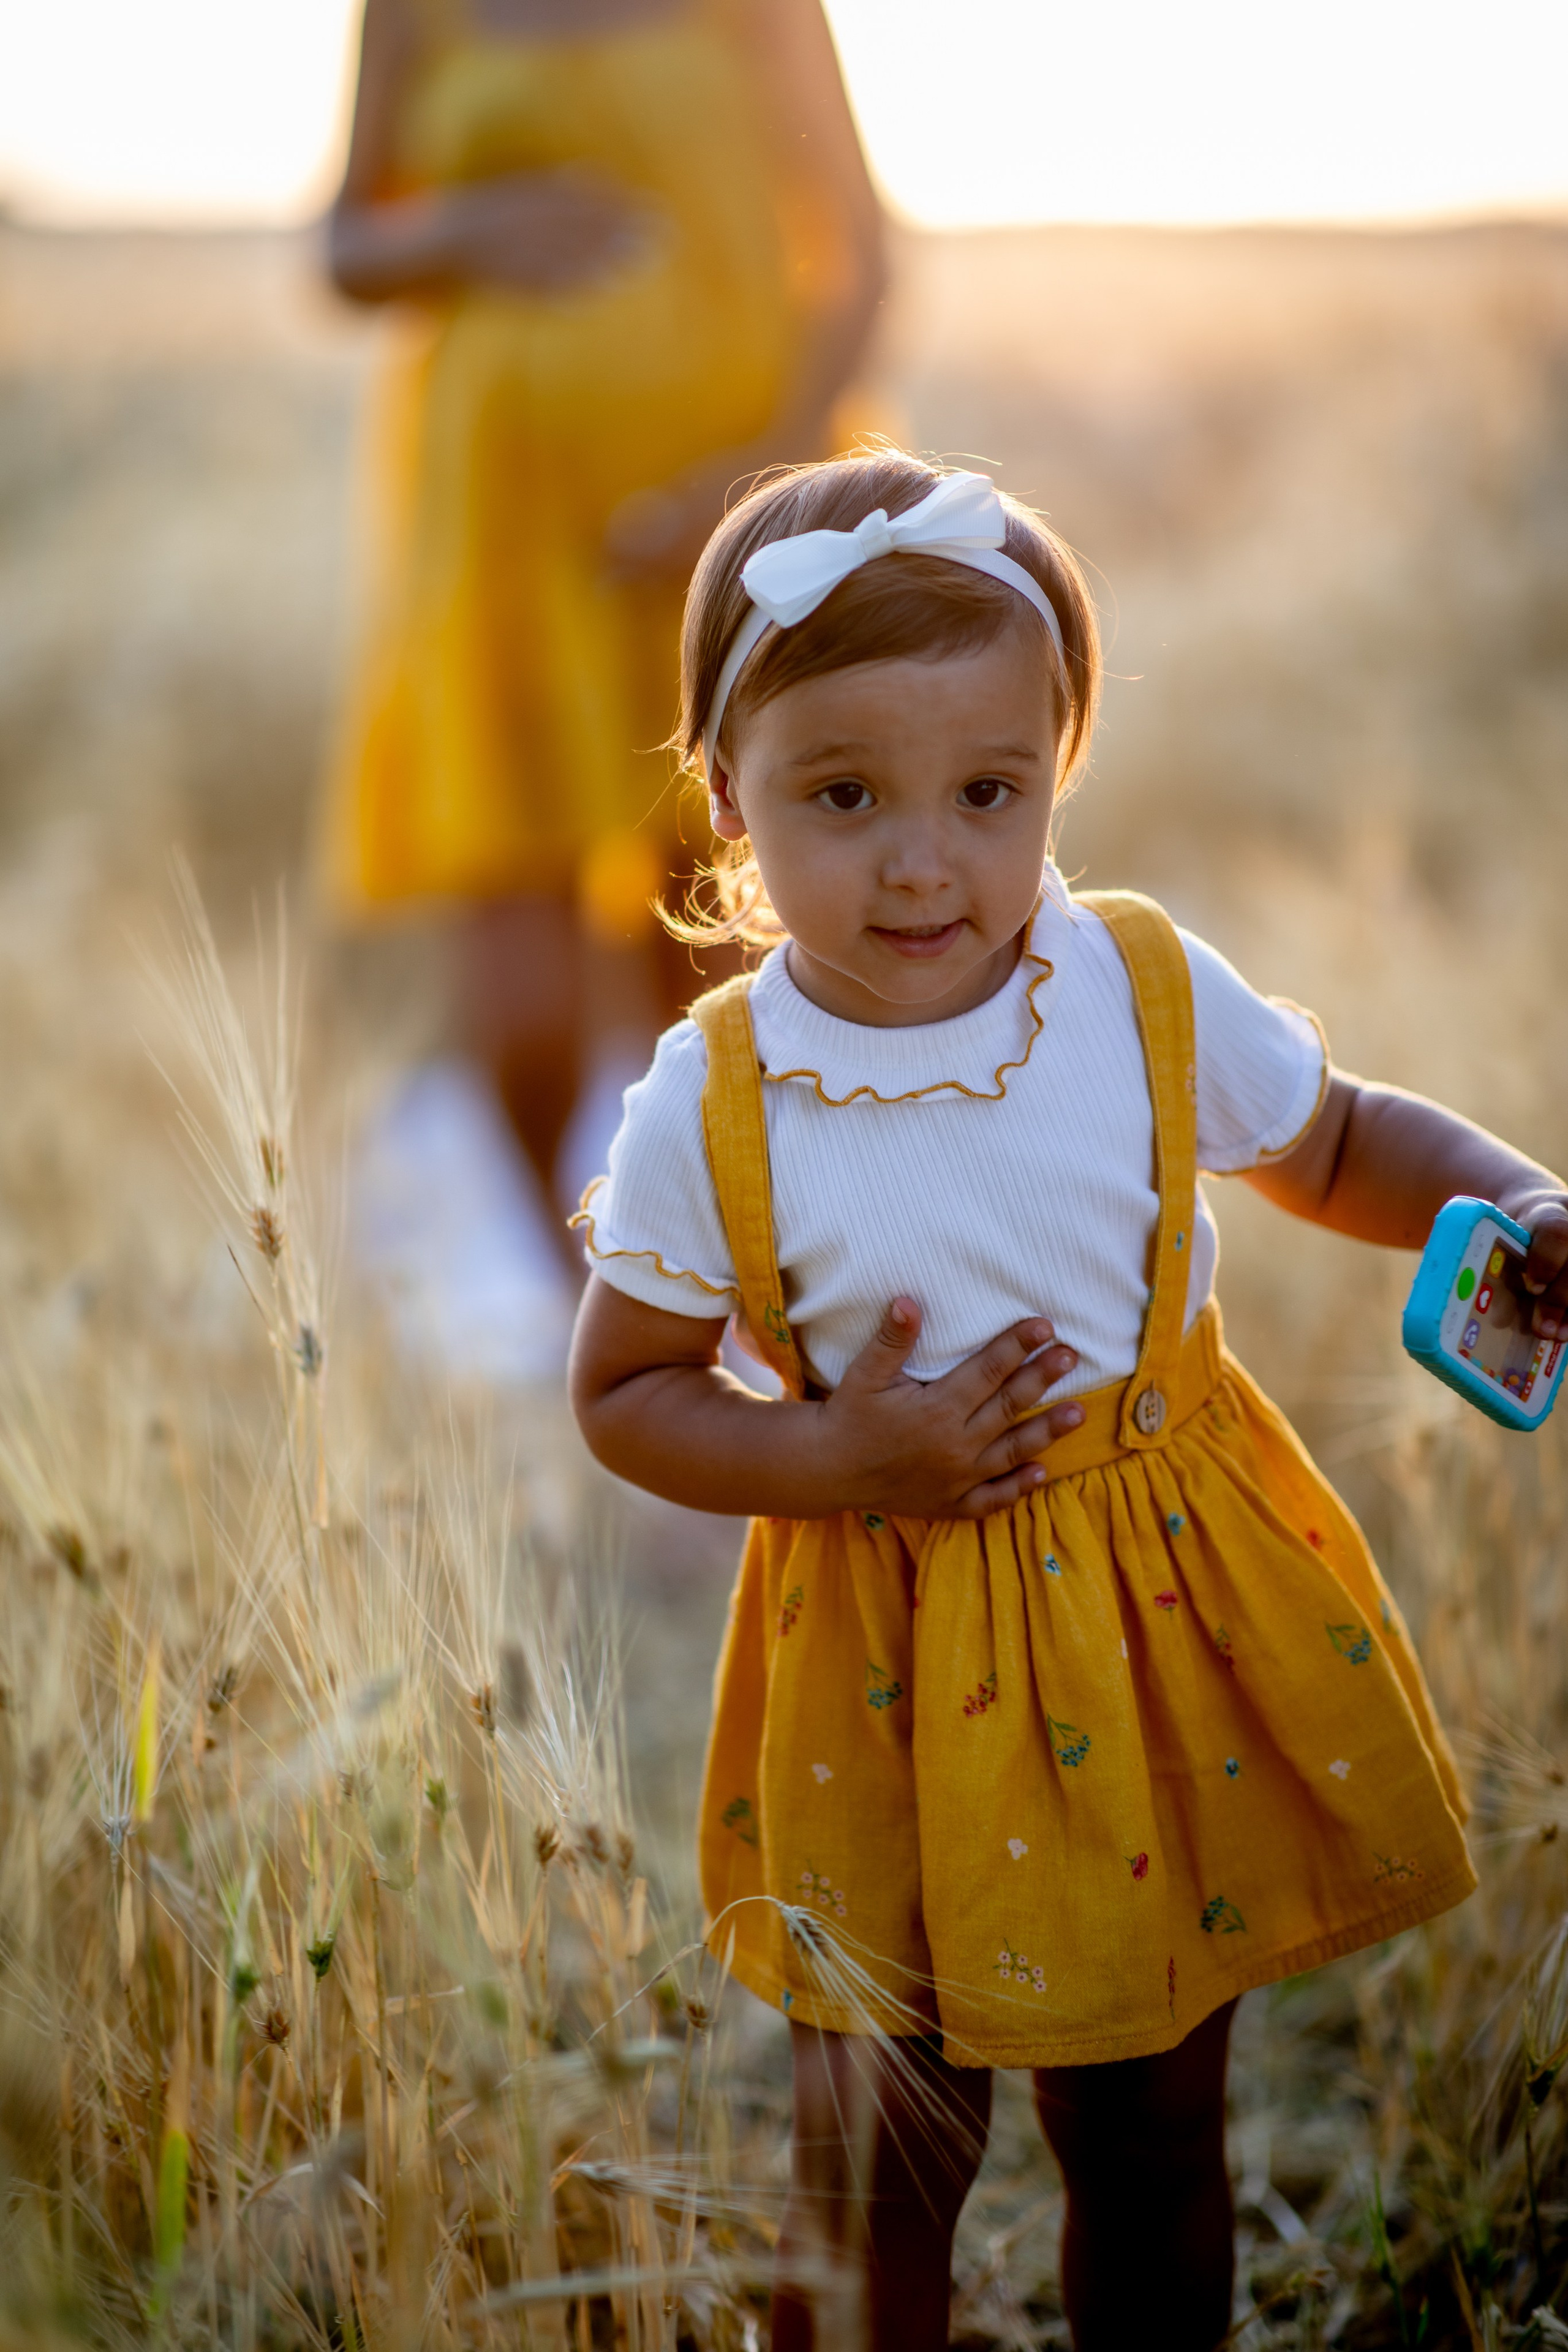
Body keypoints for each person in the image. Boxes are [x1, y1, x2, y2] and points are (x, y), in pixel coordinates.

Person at [567, 451, 1568, 2349]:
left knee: (1154, 2136)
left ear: (1058, 776)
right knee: (874, 2165)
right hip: (884, 1643)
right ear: (726, 798)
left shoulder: (1131, 987)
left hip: (1147, 1630)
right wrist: (835, 1452)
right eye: (843, 796)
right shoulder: (715, 1099)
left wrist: (1511, 1198)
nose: (925, 858)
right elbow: (625, 1390)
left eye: (989, 792)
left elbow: (1337, 1136)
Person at [322, 0, 883, 1214]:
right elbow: (343, 253)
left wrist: (763, 487)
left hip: (728, 528)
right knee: (520, 993)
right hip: (503, 535)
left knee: (719, 953)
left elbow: (862, 258)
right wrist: (471, 229)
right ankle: (576, 1306)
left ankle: (735, 1297)